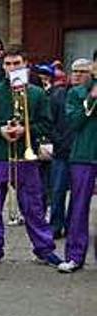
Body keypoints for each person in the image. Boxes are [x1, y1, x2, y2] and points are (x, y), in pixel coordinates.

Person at [0, 47, 61, 268]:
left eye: (16, 63)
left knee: (33, 205)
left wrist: (25, 130)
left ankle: (44, 249)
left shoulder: (37, 93)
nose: (12, 67)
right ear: (3, 66)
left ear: (26, 64)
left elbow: (47, 124)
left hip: (26, 156)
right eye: (8, 64)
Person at [57, 63, 97, 273]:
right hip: (84, 155)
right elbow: (74, 122)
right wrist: (92, 97)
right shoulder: (77, 93)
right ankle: (74, 256)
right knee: (79, 208)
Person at [48, 59, 92, 239]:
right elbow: (50, 121)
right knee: (57, 192)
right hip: (62, 152)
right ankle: (55, 227)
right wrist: (56, 142)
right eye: (74, 71)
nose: (77, 75)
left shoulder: (91, 97)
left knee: (78, 195)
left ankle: (73, 227)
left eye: (82, 72)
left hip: (82, 153)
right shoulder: (58, 95)